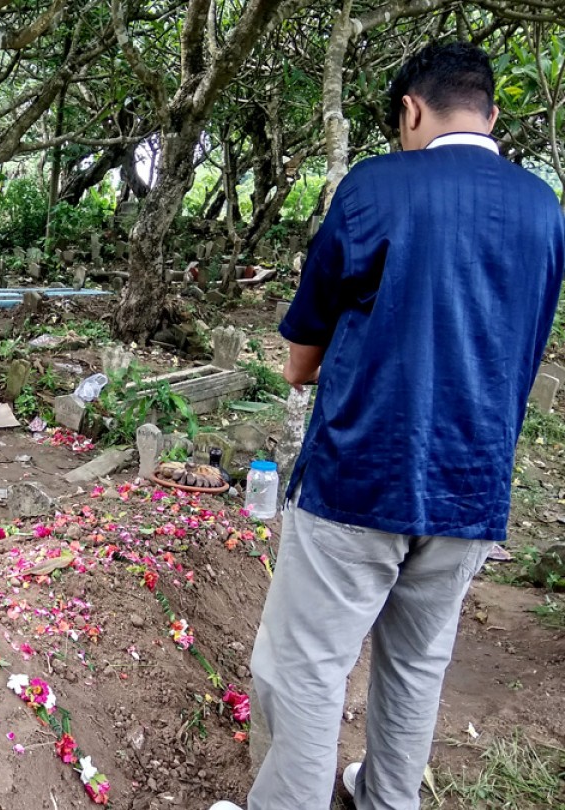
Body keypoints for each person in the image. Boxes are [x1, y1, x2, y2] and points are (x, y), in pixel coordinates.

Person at [211, 41, 565, 810]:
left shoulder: (376, 187)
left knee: (304, 665)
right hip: (472, 485)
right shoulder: (544, 208)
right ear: (491, 113)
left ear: (410, 110)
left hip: (362, 473)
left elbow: (300, 362)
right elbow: (524, 350)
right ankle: (385, 798)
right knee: (415, 663)